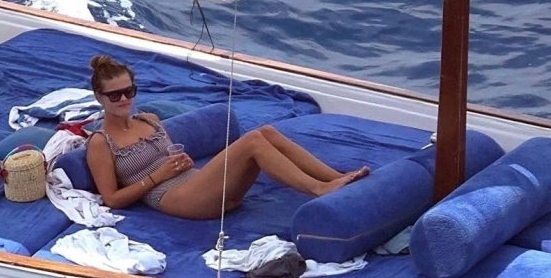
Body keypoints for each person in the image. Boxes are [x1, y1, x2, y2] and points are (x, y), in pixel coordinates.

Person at [84, 54, 368, 219]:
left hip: (204, 187)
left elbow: (173, 159)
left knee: (266, 132)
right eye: (115, 95)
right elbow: (112, 199)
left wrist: (181, 163)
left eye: (129, 91)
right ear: (99, 97)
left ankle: (336, 178)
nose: (124, 99)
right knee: (253, 141)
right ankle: (318, 189)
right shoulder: (100, 142)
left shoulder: (149, 119)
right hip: (176, 199)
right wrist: (157, 176)